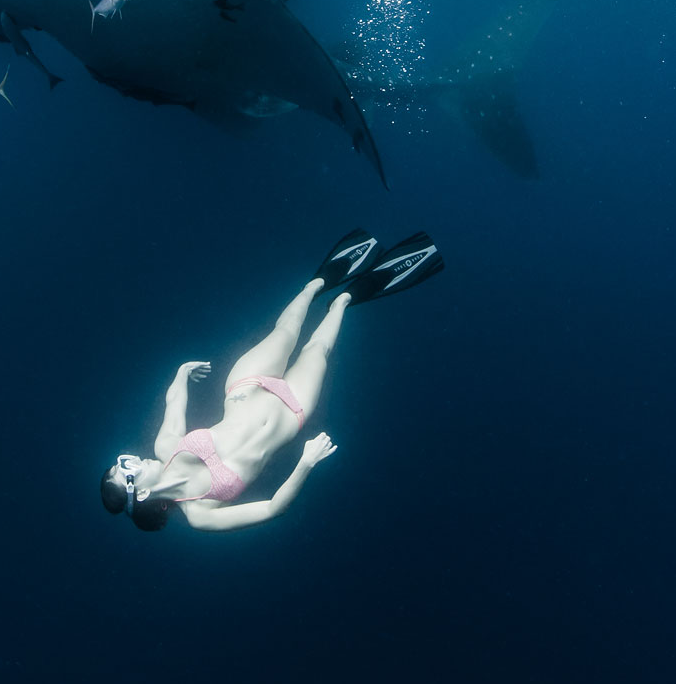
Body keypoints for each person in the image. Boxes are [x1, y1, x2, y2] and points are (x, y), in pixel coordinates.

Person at [100, 226, 443, 533]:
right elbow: (272, 508)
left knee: (287, 329)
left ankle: (318, 282)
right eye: (125, 469)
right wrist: (305, 463)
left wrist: (180, 374)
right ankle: (345, 298)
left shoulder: (166, 449)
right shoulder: (201, 515)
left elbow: (173, 405)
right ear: (139, 492)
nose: (130, 458)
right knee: (319, 347)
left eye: (121, 460)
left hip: (246, 384)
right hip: (293, 409)